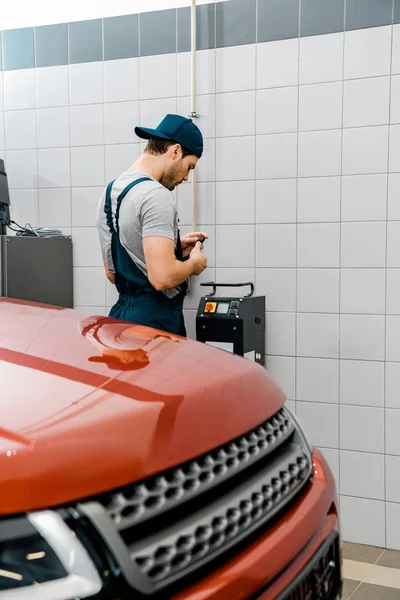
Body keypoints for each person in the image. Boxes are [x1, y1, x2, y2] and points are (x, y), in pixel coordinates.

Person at [96, 113, 208, 337]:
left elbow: (112, 273)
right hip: (154, 324)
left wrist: (174, 247)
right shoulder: (157, 195)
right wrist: (194, 264)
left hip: (120, 322)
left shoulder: (110, 192)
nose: (186, 177)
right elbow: (163, 277)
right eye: (190, 167)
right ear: (175, 151)